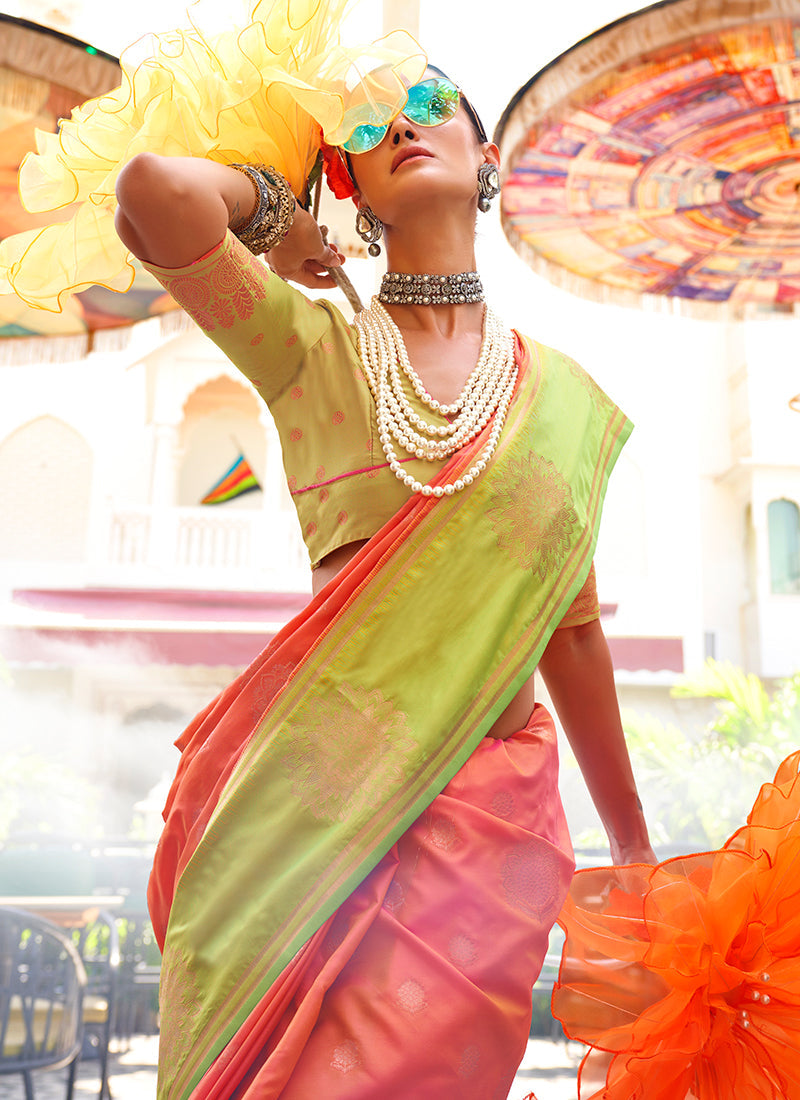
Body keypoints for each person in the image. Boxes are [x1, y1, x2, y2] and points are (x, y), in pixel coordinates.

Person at [2, 5, 655, 1095]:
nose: (405, 122)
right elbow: (154, 197)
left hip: (483, 857)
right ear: (344, 183)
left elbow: (571, 636)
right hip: (303, 839)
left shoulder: (567, 406)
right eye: (370, 121)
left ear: (484, 157)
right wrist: (273, 210)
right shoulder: (309, 353)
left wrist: (635, 853)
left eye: (433, 101)